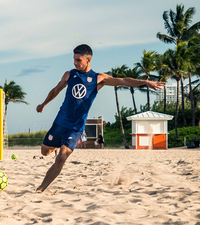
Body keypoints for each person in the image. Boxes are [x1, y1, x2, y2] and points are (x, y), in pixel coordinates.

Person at [36, 44, 165, 192]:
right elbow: (56, 90)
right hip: (60, 122)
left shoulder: (98, 78)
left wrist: (145, 82)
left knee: (61, 158)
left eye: (78, 60)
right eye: (74, 59)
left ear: (88, 59)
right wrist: (44, 104)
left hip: (76, 127)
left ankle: (40, 189)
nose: (75, 63)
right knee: (44, 152)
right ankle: (54, 147)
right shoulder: (69, 75)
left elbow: (123, 81)